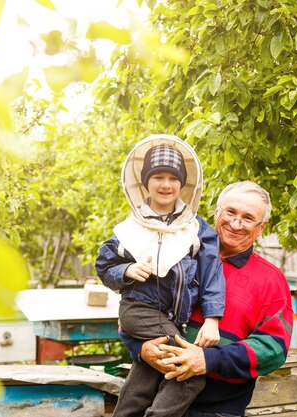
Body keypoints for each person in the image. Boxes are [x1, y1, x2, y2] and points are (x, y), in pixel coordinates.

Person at [121, 180, 294, 417]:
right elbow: (136, 309)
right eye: (230, 212)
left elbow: (273, 349)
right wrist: (140, 349)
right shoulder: (174, 252)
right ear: (217, 212)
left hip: (215, 411)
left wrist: (208, 359)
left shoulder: (271, 280)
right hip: (147, 401)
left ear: (261, 227)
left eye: (247, 217)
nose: (235, 223)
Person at [95, 134, 225, 417]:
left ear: (182, 183)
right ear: (145, 182)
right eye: (158, 177)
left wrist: (213, 319)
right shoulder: (129, 229)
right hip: (138, 310)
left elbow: (212, 273)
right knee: (189, 372)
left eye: (172, 178)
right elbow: (104, 267)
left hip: (171, 317)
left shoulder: (196, 229)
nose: (166, 185)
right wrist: (126, 270)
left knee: (148, 371)